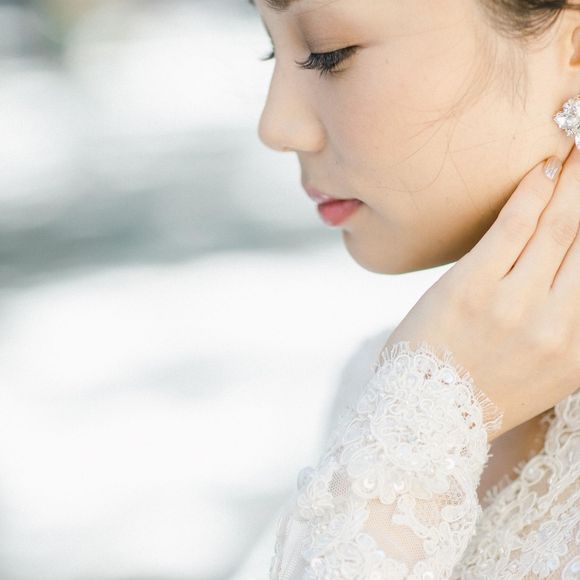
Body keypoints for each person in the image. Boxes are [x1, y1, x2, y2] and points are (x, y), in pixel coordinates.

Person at [247, 0, 580, 577]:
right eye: (271, 50)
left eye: (327, 54)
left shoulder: (412, 393)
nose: (275, 127)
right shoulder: (394, 382)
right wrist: (427, 415)